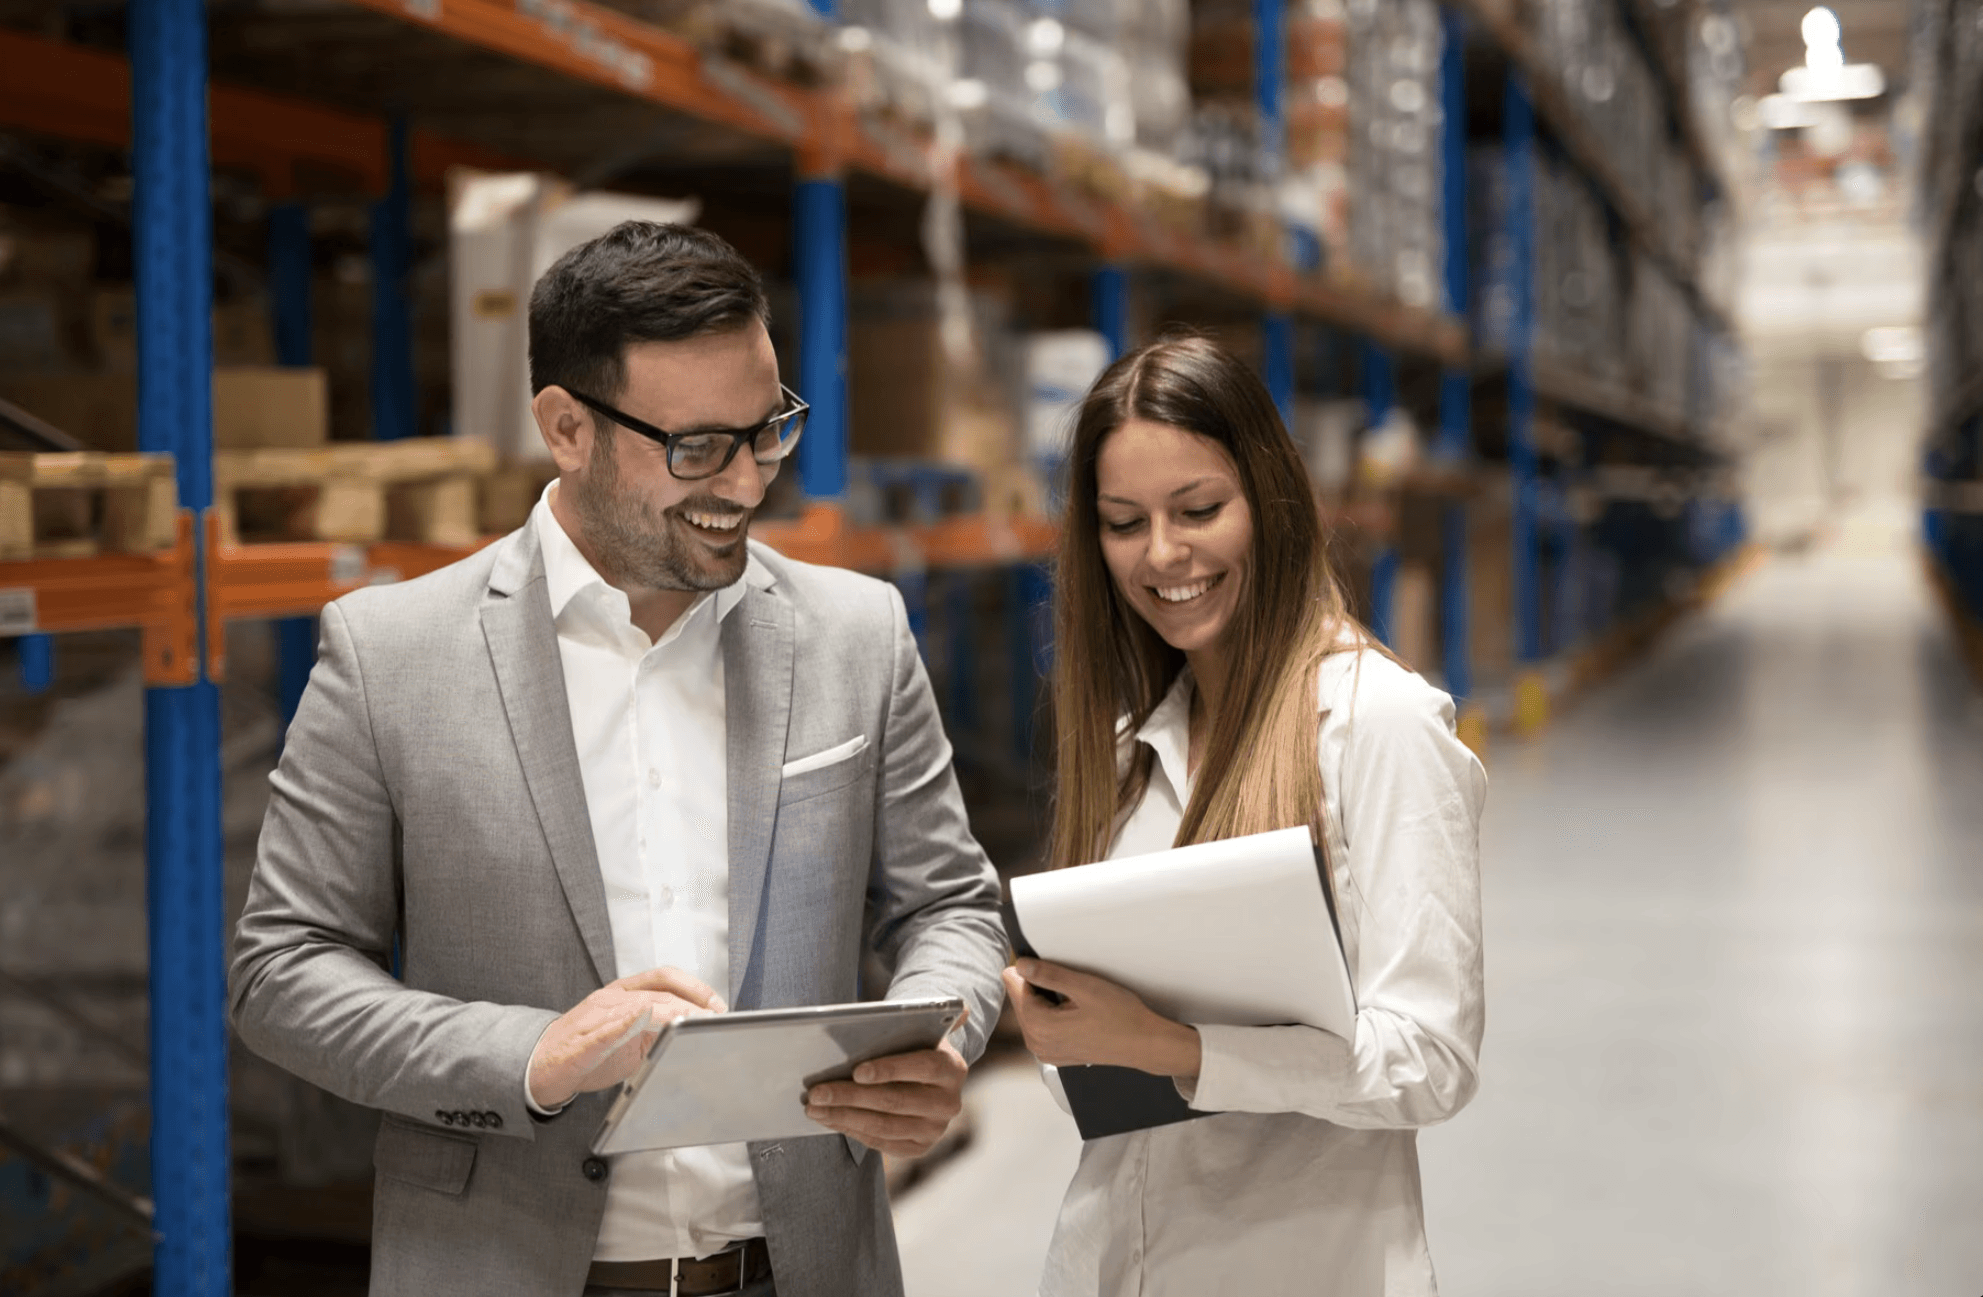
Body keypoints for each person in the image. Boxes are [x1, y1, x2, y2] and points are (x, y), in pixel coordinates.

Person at [230, 221, 1007, 1297]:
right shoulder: (391, 654)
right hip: (505, 1266)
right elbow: (282, 970)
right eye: (695, 447)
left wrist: (946, 1035)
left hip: (800, 1265)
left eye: (768, 428)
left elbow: (949, 903)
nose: (744, 483)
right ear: (566, 428)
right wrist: (532, 1058)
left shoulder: (854, 633)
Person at [1001, 335, 1486, 1297]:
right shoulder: (1129, 747)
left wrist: (1170, 1049)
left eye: (1199, 510)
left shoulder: (1377, 728)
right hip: (1112, 1260)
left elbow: (1431, 1062)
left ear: (1270, 499)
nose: (1164, 555)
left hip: (1302, 1264)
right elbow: (1092, 1078)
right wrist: (1064, 1030)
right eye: (1122, 522)